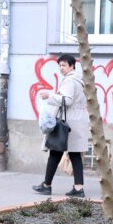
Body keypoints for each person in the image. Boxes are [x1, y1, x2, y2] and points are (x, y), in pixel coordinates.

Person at [33, 54, 89, 197]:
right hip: (77, 120)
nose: (61, 68)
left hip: (69, 121)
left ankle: (47, 185)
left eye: (64, 65)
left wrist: (49, 96)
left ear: (72, 66)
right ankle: (77, 188)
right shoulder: (79, 80)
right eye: (60, 65)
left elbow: (68, 100)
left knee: (55, 152)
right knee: (74, 155)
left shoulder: (70, 80)